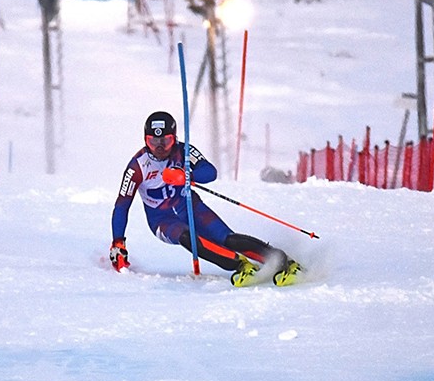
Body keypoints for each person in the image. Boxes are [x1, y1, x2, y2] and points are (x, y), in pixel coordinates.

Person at [109, 110, 301, 287]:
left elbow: (210, 172)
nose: (159, 148)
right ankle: (240, 264)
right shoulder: (137, 167)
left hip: (192, 207)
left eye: (165, 142)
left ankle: (283, 260)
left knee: (227, 239)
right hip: (162, 221)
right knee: (187, 237)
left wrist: (186, 175)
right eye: (153, 142)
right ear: (145, 140)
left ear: (174, 138)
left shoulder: (183, 151)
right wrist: (118, 242)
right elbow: (122, 206)